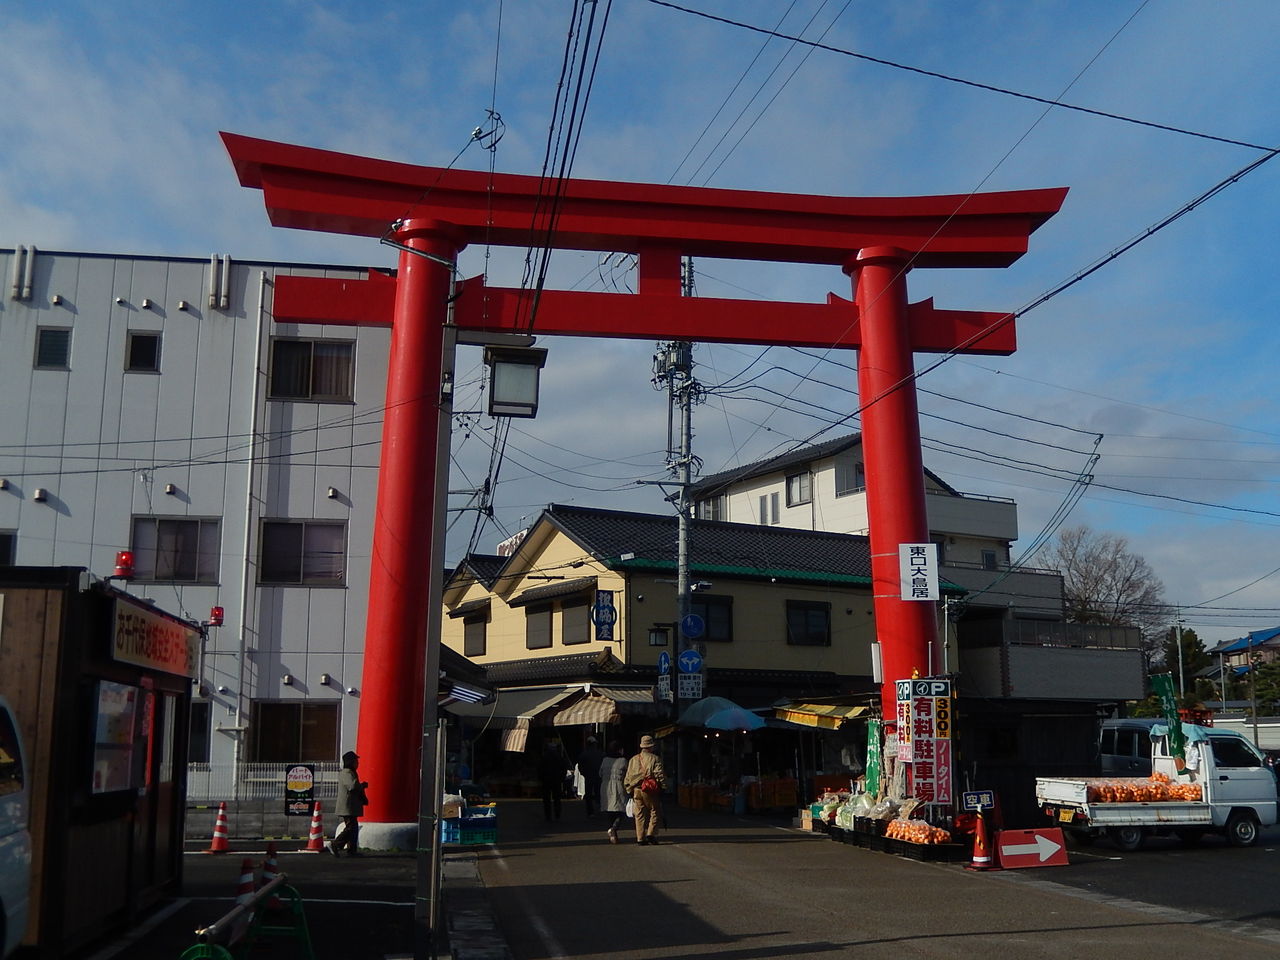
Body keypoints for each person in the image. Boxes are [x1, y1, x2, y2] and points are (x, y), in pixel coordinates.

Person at [623, 734, 667, 845]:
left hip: (636, 789)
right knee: (655, 811)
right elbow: (659, 774)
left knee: (639, 814)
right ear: (651, 746)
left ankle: (640, 838)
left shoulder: (633, 759)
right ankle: (651, 834)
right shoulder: (655, 759)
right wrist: (663, 786)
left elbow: (627, 776)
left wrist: (629, 789)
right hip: (650, 789)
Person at [330, 750, 369, 857]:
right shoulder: (347, 773)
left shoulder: (350, 773)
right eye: (356, 761)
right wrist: (362, 786)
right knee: (351, 827)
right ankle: (335, 844)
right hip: (348, 806)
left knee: (353, 828)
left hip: (351, 806)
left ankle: (351, 850)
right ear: (351, 762)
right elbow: (352, 786)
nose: (357, 763)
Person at [598, 740, 627, 843]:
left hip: (606, 786)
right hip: (619, 786)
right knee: (621, 810)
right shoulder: (623, 760)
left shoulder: (605, 760)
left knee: (609, 810)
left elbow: (600, 773)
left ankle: (612, 832)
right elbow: (627, 774)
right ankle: (614, 829)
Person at [538, 739, 570, 821]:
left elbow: (540, 769)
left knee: (547, 800)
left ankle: (548, 816)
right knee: (557, 799)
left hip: (546, 781)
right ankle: (557, 814)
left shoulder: (544, 757)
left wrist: (541, 778)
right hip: (557, 780)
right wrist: (562, 778)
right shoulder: (559, 757)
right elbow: (564, 769)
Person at [576, 736, 605, 817]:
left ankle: (591, 812)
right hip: (598, 776)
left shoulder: (584, 754)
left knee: (588, 795)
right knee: (598, 794)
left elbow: (580, 766)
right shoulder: (600, 754)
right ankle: (599, 809)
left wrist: (584, 773)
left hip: (588, 776)